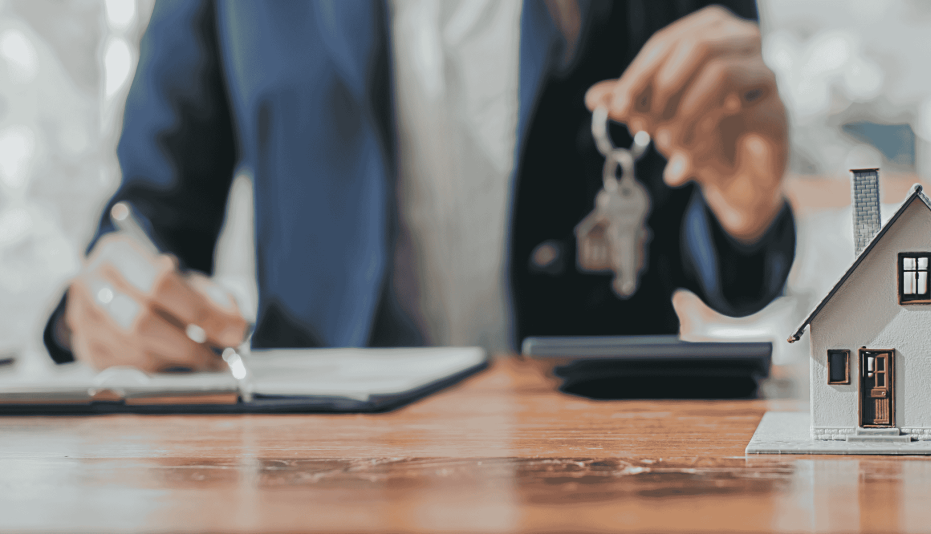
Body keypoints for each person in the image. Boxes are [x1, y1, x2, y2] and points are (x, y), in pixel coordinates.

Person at [44, 0, 795, 372]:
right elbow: (148, 221)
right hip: (321, 456)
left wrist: (746, 209)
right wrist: (105, 304)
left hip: (604, 451)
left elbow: (724, 269)